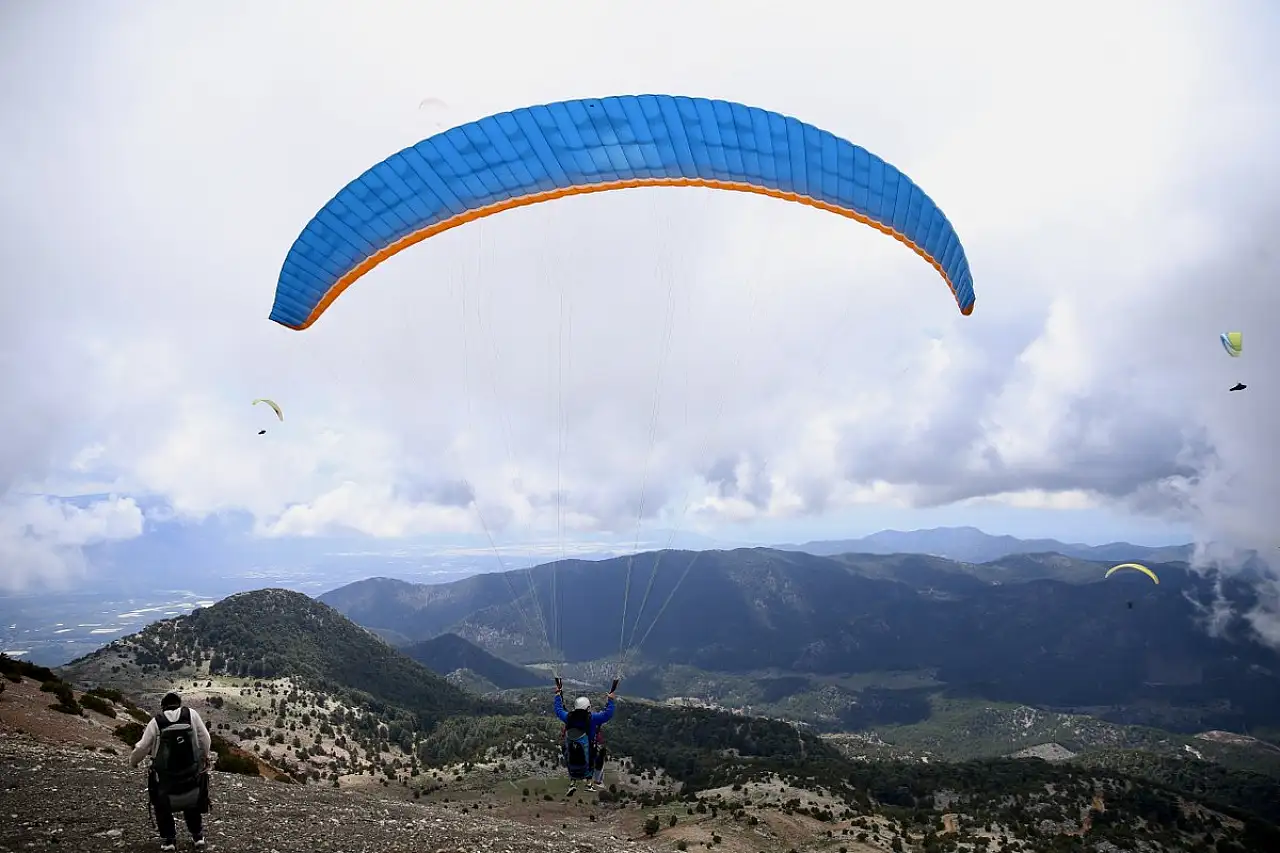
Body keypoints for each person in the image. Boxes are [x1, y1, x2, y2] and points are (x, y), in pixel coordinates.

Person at [130, 691, 212, 851]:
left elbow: (141, 748)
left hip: (165, 777)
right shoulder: (191, 714)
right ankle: (198, 836)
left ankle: (169, 841)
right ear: (178, 703)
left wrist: (133, 762)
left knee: (161, 805)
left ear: (163, 707)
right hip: (191, 771)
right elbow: (206, 739)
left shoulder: (156, 722)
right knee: (192, 801)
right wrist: (203, 757)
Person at [554, 685, 615, 794]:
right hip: (589, 750)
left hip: (571, 749)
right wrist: (610, 700)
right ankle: (594, 781)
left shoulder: (568, 717)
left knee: (570, 754)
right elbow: (607, 714)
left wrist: (558, 696)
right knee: (598, 755)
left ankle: (573, 781)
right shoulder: (592, 718)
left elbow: (558, 710)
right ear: (587, 707)